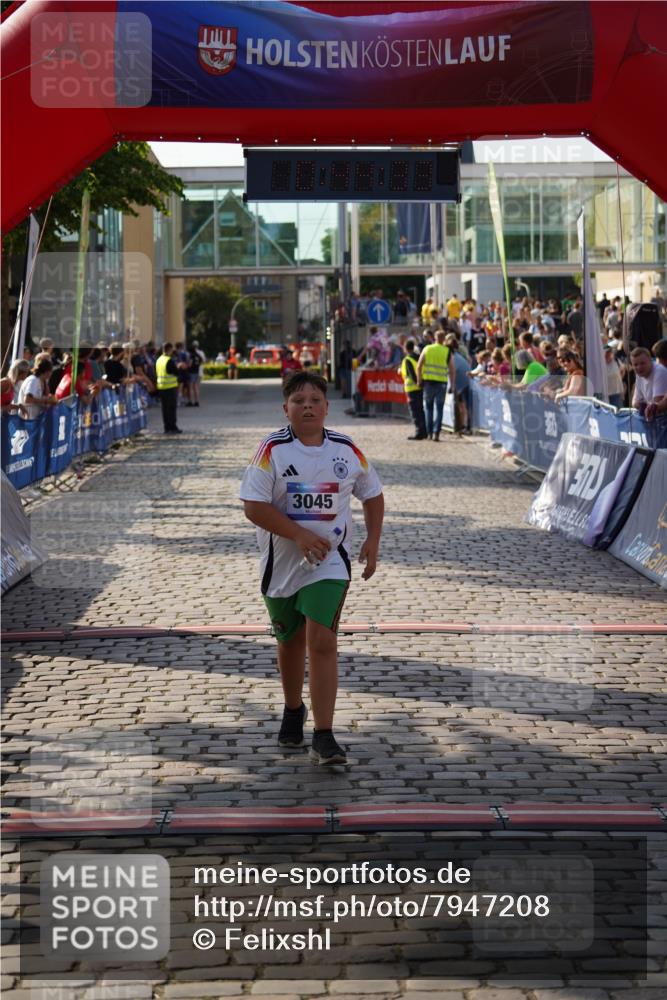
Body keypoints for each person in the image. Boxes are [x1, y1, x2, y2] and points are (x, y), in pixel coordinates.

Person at [240, 370, 384, 767]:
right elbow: (253, 506)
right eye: (298, 400)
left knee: (321, 641)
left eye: (315, 400)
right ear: (285, 408)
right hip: (281, 565)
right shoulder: (271, 449)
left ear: (326, 406)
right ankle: (292, 709)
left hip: (330, 563)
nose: (307, 406)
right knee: (289, 642)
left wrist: (372, 540)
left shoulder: (346, 448)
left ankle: (324, 733)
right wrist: (299, 535)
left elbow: (372, 494)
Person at [417, 328, 455, 441]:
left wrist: (419, 380)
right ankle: (436, 433)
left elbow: (419, 366)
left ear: (435, 338)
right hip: (441, 383)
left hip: (428, 382)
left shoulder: (427, 349)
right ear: (444, 339)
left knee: (428, 408)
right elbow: (452, 370)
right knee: (439, 408)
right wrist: (452, 385)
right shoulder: (447, 351)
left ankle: (429, 433)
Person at [155, 342, 187, 434]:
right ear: (169, 349)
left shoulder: (159, 360)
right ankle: (172, 427)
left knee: (165, 409)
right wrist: (179, 366)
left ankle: (166, 427)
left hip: (161, 386)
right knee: (171, 409)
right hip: (170, 387)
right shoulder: (169, 360)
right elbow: (175, 372)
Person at [399, 338, 427, 440]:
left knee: (415, 411)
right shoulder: (418, 357)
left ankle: (419, 432)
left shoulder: (407, 359)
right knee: (421, 410)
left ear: (406, 349)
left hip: (412, 388)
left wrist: (417, 383)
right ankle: (424, 431)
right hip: (420, 387)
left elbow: (411, 374)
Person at [18, 354, 57, 419]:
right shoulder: (33, 381)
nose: (51, 374)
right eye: (51, 372)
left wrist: (48, 399)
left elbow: (44, 396)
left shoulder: (41, 381)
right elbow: (27, 399)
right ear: (47, 372)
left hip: (34, 419)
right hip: (27, 420)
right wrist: (44, 401)